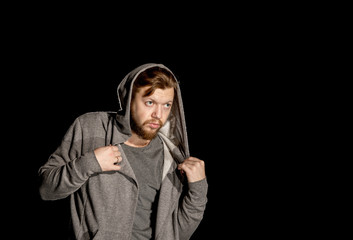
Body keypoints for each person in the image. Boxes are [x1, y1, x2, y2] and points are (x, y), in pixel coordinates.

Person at [38, 63, 208, 240]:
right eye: (150, 102)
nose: (158, 114)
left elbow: (178, 233)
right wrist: (88, 163)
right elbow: (45, 189)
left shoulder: (172, 157)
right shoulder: (90, 127)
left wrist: (198, 188)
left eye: (166, 105)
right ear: (128, 100)